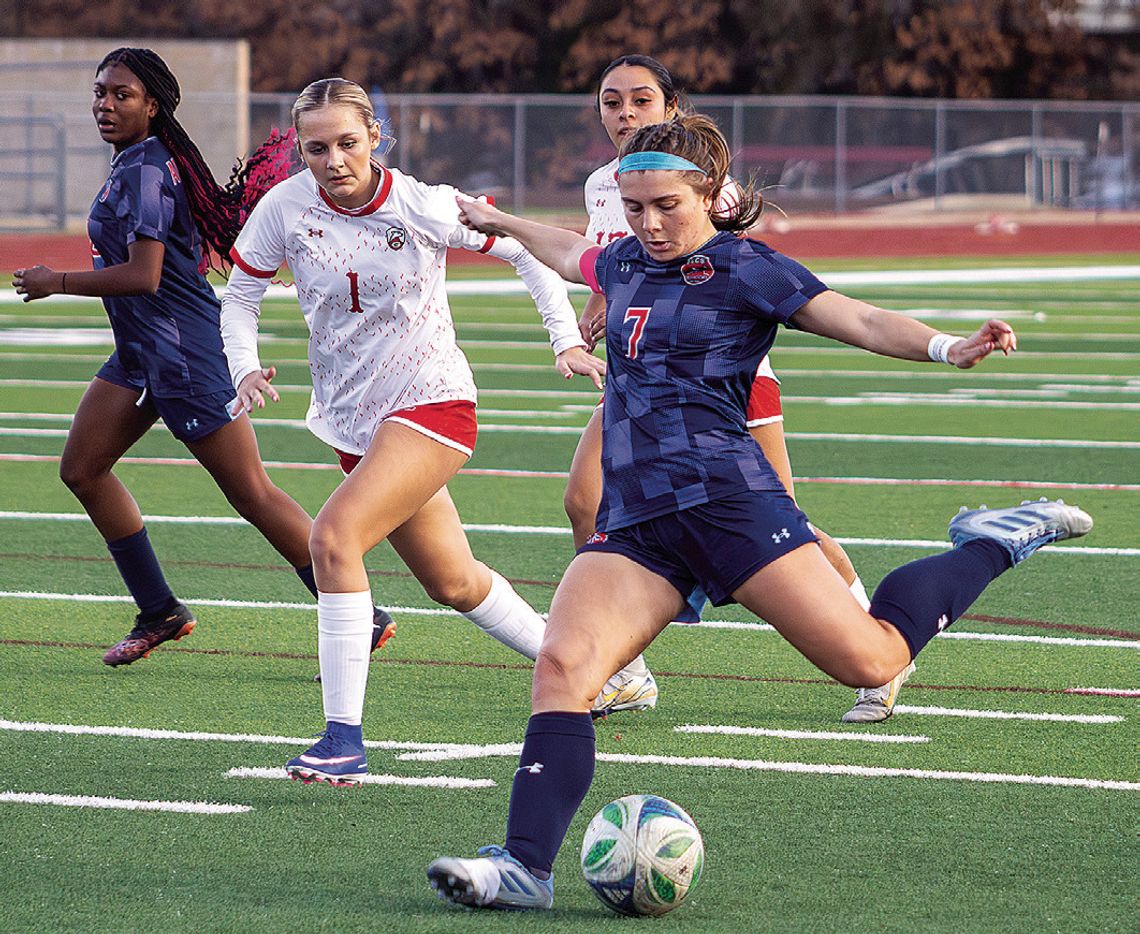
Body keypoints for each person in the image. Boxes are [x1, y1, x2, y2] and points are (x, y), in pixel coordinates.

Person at [425, 113, 1093, 910]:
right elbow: (571, 251)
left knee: (874, 662)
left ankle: (988, 543)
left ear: (710, 192)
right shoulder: (628, 262)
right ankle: (524, 867)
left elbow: (861, 319)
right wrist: (499, 220)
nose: (648, 223)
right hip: (639, 520)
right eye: (634, 207)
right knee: (563, 670)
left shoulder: (747, 268)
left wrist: (949, 346)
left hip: (733, 507)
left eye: (666, 204)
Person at [219, 77, 653, 787]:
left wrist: (562, 340)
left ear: (377, 139)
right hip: (353, 419)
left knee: (331, 538)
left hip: (431, 403)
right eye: (316, 147)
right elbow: (238, 298)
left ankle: (341, 739)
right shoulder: (285, 207)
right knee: (453, 582)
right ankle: (590, 671)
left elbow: (518, 248)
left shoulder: (423, 204)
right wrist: (243, 368)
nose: (333, 160)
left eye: (348, 143)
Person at [10, 47, 397, 669]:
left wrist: (57, 281)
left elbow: (143, 274)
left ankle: (360, 611)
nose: (105, 105)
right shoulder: (135, 164)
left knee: (250, 491)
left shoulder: (144, 170)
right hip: (141, 354)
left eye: (122, 95)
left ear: (153, 105)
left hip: (184, 354)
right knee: (82, 468)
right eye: (100, 92)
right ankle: (159, 610)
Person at [569, 54, 904, 723]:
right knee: (586, 499)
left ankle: (874, 648)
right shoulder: (601, 185)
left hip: (718, 383)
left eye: (640, 101)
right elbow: (612, 259)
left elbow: (727, 279)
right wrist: (601, 306)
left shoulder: (702, 181)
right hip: (646, 380)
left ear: (670, 107)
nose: (625, 115)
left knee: (784, 522)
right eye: (611, 102)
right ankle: (623, 668)